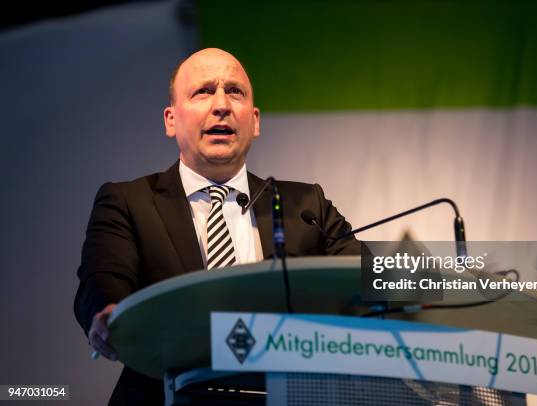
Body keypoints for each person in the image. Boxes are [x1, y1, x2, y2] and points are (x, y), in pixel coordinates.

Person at [74, 48, 359, 405]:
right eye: (203, 92)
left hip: (288, 395)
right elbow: (102, 283)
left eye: (235, 92)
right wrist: (108, 313)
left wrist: (437, 275)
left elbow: (368, 275)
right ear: (171, 119)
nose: (221, 104)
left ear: (254, 121)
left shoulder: (305, 205)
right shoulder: (129, 201)